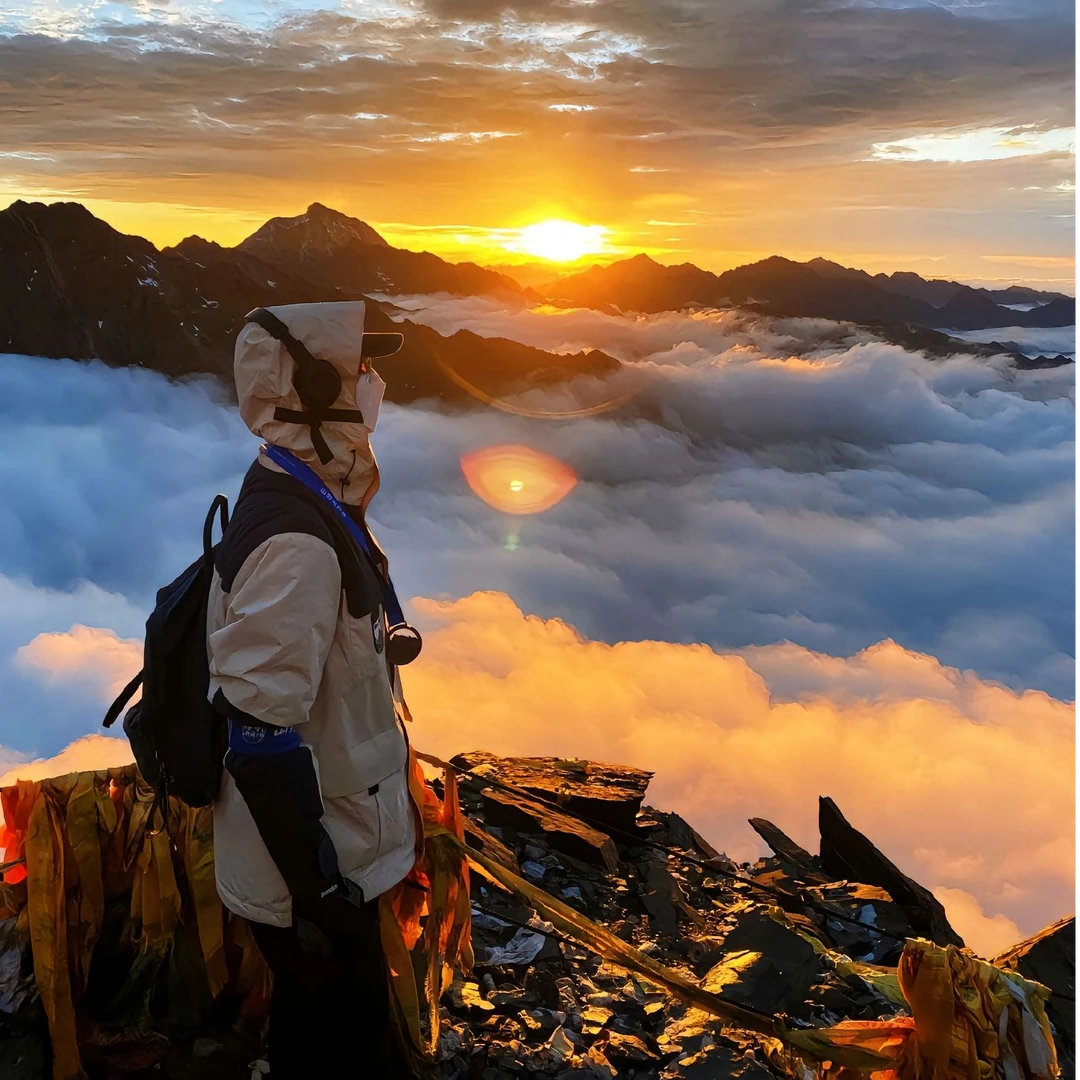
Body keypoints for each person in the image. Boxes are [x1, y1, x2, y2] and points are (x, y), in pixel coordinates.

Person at [206, 301, 419, 1078]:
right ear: (317, 388)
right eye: (362, 368)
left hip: (326, 844)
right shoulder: (298, 542)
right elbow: (259, 732)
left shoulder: (302, 494)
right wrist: (320, 892)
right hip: (315, 863)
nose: (375, 382)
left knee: (315, 1029)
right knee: (349, 1043)